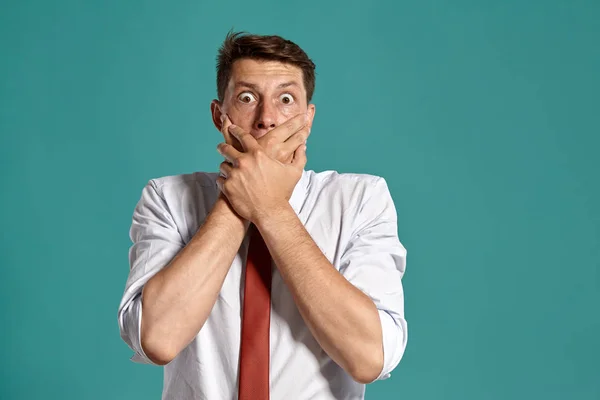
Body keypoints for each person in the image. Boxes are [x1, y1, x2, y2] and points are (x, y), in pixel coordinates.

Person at [117, 31, 408, 400]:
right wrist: (239, 201)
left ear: (308, 119)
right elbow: (157, 338)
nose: (266, 119)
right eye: (247, 97)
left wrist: (270, 208)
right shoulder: (168, 198)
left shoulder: (361, 199)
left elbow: (370, 358)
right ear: (218, 116)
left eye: (286, 99)